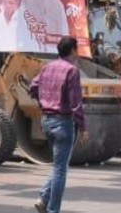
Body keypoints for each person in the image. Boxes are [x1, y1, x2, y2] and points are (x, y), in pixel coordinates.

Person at [30, 36, 85, 213]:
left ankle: (43, 197)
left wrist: (43, 102)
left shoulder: (48, 67)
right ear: (73, 50)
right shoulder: (72, 70)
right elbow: (76, 102)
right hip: (63, 122)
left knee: (58, 165)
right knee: (61, 169)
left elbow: (33, 86)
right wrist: (83, 127)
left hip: (47, 120)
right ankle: (53, 209)